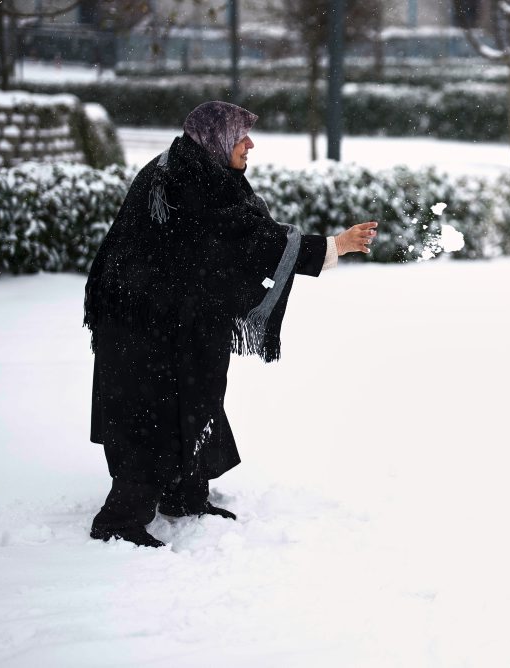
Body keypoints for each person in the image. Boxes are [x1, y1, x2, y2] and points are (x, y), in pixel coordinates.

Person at [83, 101, 377, 548]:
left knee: (197, 393)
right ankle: (119, 520)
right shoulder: (189, 178)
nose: (250, 144)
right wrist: (332, 247)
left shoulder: (197, 168)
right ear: (216, 139)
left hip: (175, 316)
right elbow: (247, 239)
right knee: (151, 413)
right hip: (142, 323)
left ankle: (185, 493)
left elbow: (235, 237)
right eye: (241, 136)